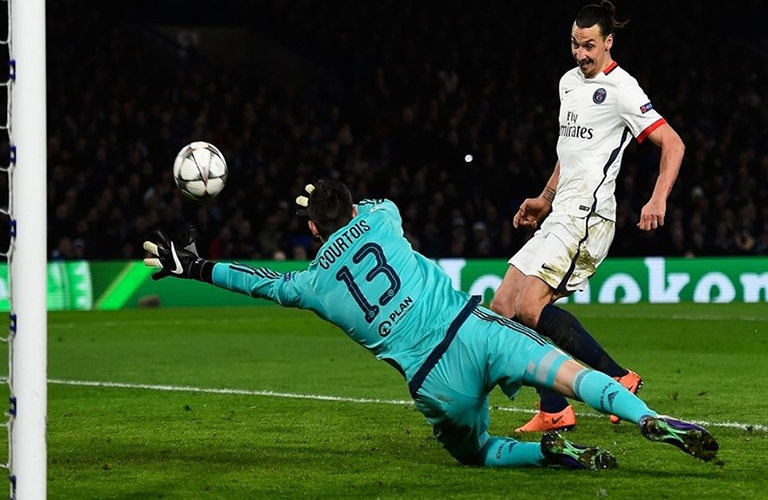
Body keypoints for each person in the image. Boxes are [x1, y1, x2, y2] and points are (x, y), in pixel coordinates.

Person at [143, 180, 717, 470]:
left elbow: (258, 280)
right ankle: (648, 417)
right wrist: (334, 201)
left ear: (312, 231)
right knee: (574, 377)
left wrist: (195, 266)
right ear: (352, 209)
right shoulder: (382, 218)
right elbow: (370, 204)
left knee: (478, 453)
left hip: (436, 384)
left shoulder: (312, 284)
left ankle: (550, 455)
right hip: (476, 331)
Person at [490, 0, 685, 432]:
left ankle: (617, 378)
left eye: (589, 45)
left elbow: (674, 144)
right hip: (560, 211)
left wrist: (658, 198)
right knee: (503, 306)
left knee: (529, 306)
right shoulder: (567, 83)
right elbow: (569, 151)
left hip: (588, 217)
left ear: (608, 41)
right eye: (575, 44)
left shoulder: (623, 89)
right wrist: (544, 197)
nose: (581, 53)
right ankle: (554, 407)